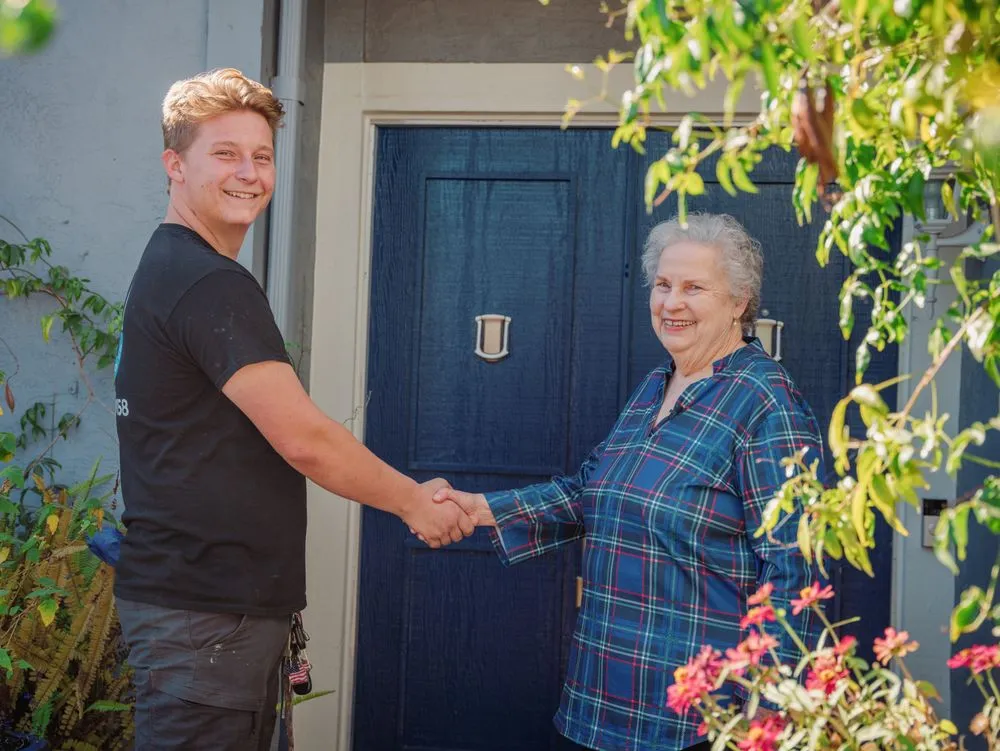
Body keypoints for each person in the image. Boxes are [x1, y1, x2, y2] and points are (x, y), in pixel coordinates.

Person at [113, 68, 471, 751]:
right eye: (225, 154)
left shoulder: (176, 269)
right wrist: (412, 500)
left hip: (203, 616)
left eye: (262, 155)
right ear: (174, 165)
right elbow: (303, 437)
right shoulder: (207, 281)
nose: (249, 173)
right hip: (207, 622)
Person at [434, 213, 822, 751]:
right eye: (662, 285)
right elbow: (592, 489)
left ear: (739, 302)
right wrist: (482, 508)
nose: (671, 302)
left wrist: (770, 717)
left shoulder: (766, 402)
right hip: (605, 694)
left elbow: (794, 567)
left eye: (694, 288)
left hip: (700, 715)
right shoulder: (655, 386)